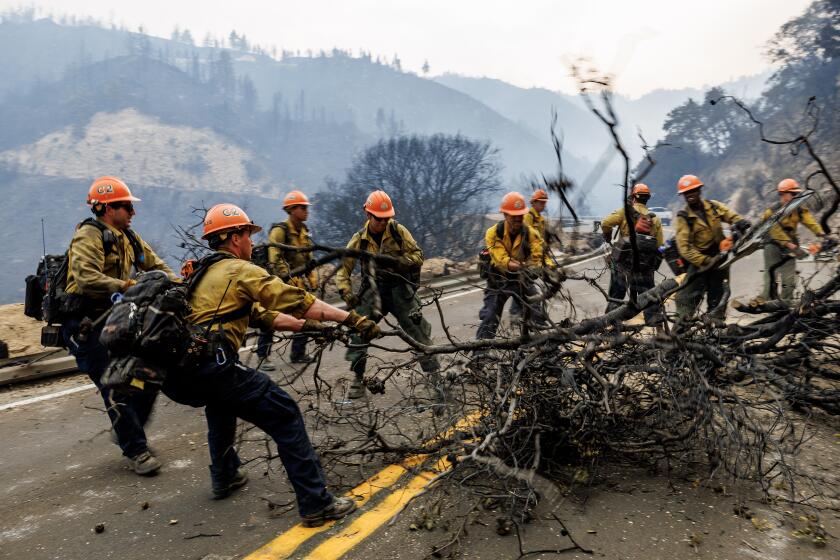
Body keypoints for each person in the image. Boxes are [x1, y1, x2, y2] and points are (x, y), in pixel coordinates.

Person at [162, 203, 378, 526]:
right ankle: (316, 503)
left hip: (183, 373)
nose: (251, 242)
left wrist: (308, 328)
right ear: (234, 238)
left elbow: (263, 317)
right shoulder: (240, 270)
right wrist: (351, 318)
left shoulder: (205, 274)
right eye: (248, 234)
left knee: (219, 406)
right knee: (285, 413)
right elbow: (297, 300)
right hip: (216, 364)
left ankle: (225, 476)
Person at [62, 176, 175, 475]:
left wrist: (181, 285)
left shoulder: (130, 237)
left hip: (115, 320)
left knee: (148, 373)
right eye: (127, 206)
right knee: (114, 384)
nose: (133, 212)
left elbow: (157, 267)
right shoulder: (89, 234)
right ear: (107, 208)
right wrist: (128, 285)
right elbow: (86, 277)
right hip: (85, 323)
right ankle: (136, 449)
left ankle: (126, 429)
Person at [335, 190, 440, 399]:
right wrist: (347, 294)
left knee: (418, 331)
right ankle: (358, 379)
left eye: (386, 218)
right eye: (379, 218)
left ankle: (435, 377)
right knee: (359, 329)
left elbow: (418, 255)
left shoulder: (399, 231)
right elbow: (343, 270)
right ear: (368, 215)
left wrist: (403, 262)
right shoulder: (359, 240)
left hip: (400, 290)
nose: (383, 223)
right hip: (372, 291)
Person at [256, 190, 319, 370]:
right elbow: (275, 259)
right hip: (278, 282)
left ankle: (298, 353)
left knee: (306, 314)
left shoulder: (304, 232)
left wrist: (312, 279)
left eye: (306, 207)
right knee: (270, 319)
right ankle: (262, 357)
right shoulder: (280, 231)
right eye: (303, 208)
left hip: (298, 282)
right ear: (292, 209)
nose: (306, 211)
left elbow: (309, 259)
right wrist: (289, 280)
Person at [674, 175, 750, 323]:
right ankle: (680, 331)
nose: (690, 195)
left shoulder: (713, 206)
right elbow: (684, 248)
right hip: (699, 263)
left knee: (718, 295)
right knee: (685, 298)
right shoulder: (683, 217)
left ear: (699, 190)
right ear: (683, 195)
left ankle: (715, 330)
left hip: (720, 259)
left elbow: (729, 214)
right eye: (686, 193)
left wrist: (739, 221)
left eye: (693, 191)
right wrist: (706, 261)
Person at [475, 192, 547, 348]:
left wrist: (542, 268)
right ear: (505, 215)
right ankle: (479, 356)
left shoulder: (531, 234)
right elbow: (501, 260)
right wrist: (523, 266)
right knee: (490, 316)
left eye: (519, 216)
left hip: (522, 280)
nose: (517, 220)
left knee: (537, 313)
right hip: (498, 281)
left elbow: (538, 256)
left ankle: (546, 349)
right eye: (513, 217)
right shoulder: (493, 233)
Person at [600, 183, 665, 326]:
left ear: (633, 197)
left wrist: (608, 236)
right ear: (647, 199)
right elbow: (660, 246)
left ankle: (610, 323)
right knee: (649, 293)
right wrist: (653, 265)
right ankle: (654, 323)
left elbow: (605, 223)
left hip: (624, 263)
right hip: (645, 265)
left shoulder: (625, 212)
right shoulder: (655, 219)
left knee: (616, 294)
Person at [757, 178, 826, 304]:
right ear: (783, 194)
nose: (795, 196)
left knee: (789, 278)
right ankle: (766, 303)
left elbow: (810, 221)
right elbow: (775, 231)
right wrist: (793, 247)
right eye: (792, 194)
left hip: (791, 244)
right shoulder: (771, 212)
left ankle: (785, 304)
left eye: (796, 194)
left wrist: (821, 233)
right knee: (771, 275)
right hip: (772, 244)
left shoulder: (798, 209)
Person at [510, 189, 554, 322]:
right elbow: (525, 236)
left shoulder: (541, 219)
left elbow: (543, 240)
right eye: (541, 202)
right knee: (525, 284)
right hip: (524, 257)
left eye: (544, 202)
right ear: (534, 202)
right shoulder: (528, 216)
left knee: (524, 284)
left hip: (535, 256)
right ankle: (526, 315)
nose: (543, 205)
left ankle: (520, 313)